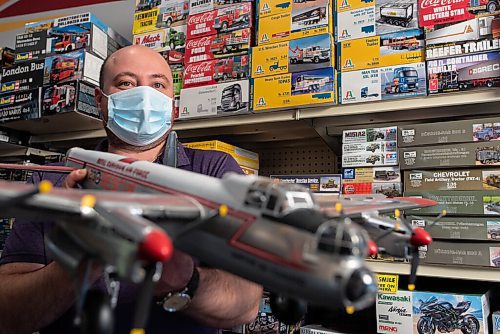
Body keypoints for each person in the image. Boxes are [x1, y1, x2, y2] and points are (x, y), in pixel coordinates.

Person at [0, 45, 262, 334]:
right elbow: (7, 315)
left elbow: (246, 305)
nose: (145, 96)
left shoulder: (213, 171)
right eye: (126, 83)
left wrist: (183, 281)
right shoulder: (52, 182)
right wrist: (78, 263)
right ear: (101, 101)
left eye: (158, 84)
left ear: (172, 104)